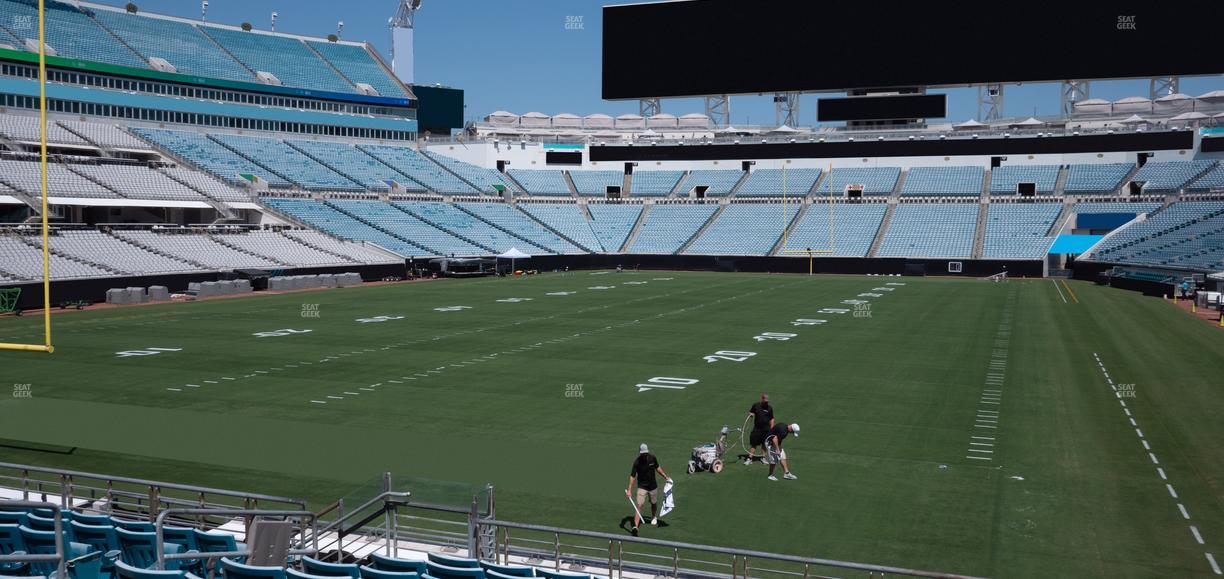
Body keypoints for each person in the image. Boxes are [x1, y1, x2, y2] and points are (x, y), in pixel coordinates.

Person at [626, 443, 671, 535]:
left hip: (652, 486)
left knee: (653, 503)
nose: (644, 455)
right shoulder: (637, 462)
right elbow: (632, 476)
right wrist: (629, 489)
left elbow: (658, 468)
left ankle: (653, 516)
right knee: (639, 505)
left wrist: (665, 476)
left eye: (645, 453)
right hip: (642, 486)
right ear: (640, 453)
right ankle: (635, 526)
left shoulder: (652, 458)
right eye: (643, 453)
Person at [744, 393, 775, 465]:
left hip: (766, 429)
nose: (766, 403)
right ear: (762, 399)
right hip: (757, 429)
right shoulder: (756, 405)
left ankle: (763, 457)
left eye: (767, 402)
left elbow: (772, 418)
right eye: (765, 401)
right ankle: (750, 458)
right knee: (754, 444)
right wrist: (751, 414)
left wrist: (772, 428)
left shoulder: (769, 408)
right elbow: (750, 412)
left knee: (764, 444)